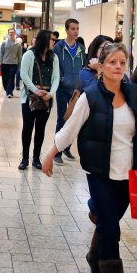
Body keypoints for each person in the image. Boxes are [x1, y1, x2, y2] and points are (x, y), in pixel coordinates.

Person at [42, 43, 137, 273]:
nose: (118, 67)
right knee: (112, 230)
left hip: (128, 173)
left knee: (109, 223)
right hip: (100, 173)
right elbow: (70, 129)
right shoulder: (91, 96)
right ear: (101, 66)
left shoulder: (132, 92)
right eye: (113, 62)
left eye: (122, 62)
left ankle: (95, 257)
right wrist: (50, 154)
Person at [18, 30, 59, 170]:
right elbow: (24, 74)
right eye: (52, 39)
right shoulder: (29, 54)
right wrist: (36, 91)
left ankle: (36, 158)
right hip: (30, 97)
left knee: (41, 129)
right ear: (44, 40)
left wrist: (51, 93)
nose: (54, 41)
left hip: (47, 98)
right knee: (27, 128)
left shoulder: (54, 58)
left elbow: (56, 77)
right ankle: (25, 158)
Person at [53, 18, 86, 164]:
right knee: (62, 118)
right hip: (62, 88)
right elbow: (55, 65)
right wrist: (61, 79)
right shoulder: (58, 47)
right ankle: (57, 152)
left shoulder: (80, 48)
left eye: (77, 28)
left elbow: (83, 67)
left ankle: (67, 148)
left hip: (76, 90)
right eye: (73, 29)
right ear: (66, 30)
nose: (76, 31)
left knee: (74, 119)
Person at [0, 29, 23, 98]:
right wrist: (0, 62)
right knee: (5, 79)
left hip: (13, 64)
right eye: (10, 32)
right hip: (4, 63)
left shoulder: (18, 44)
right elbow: (1, 53)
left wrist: (19, 65)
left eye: (12, 32)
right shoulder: (4, 43)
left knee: (11, 78)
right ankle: (8, 90)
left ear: (14, 33)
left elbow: (19, 55)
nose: (11, 33)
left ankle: (9, 92)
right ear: (8, 33)